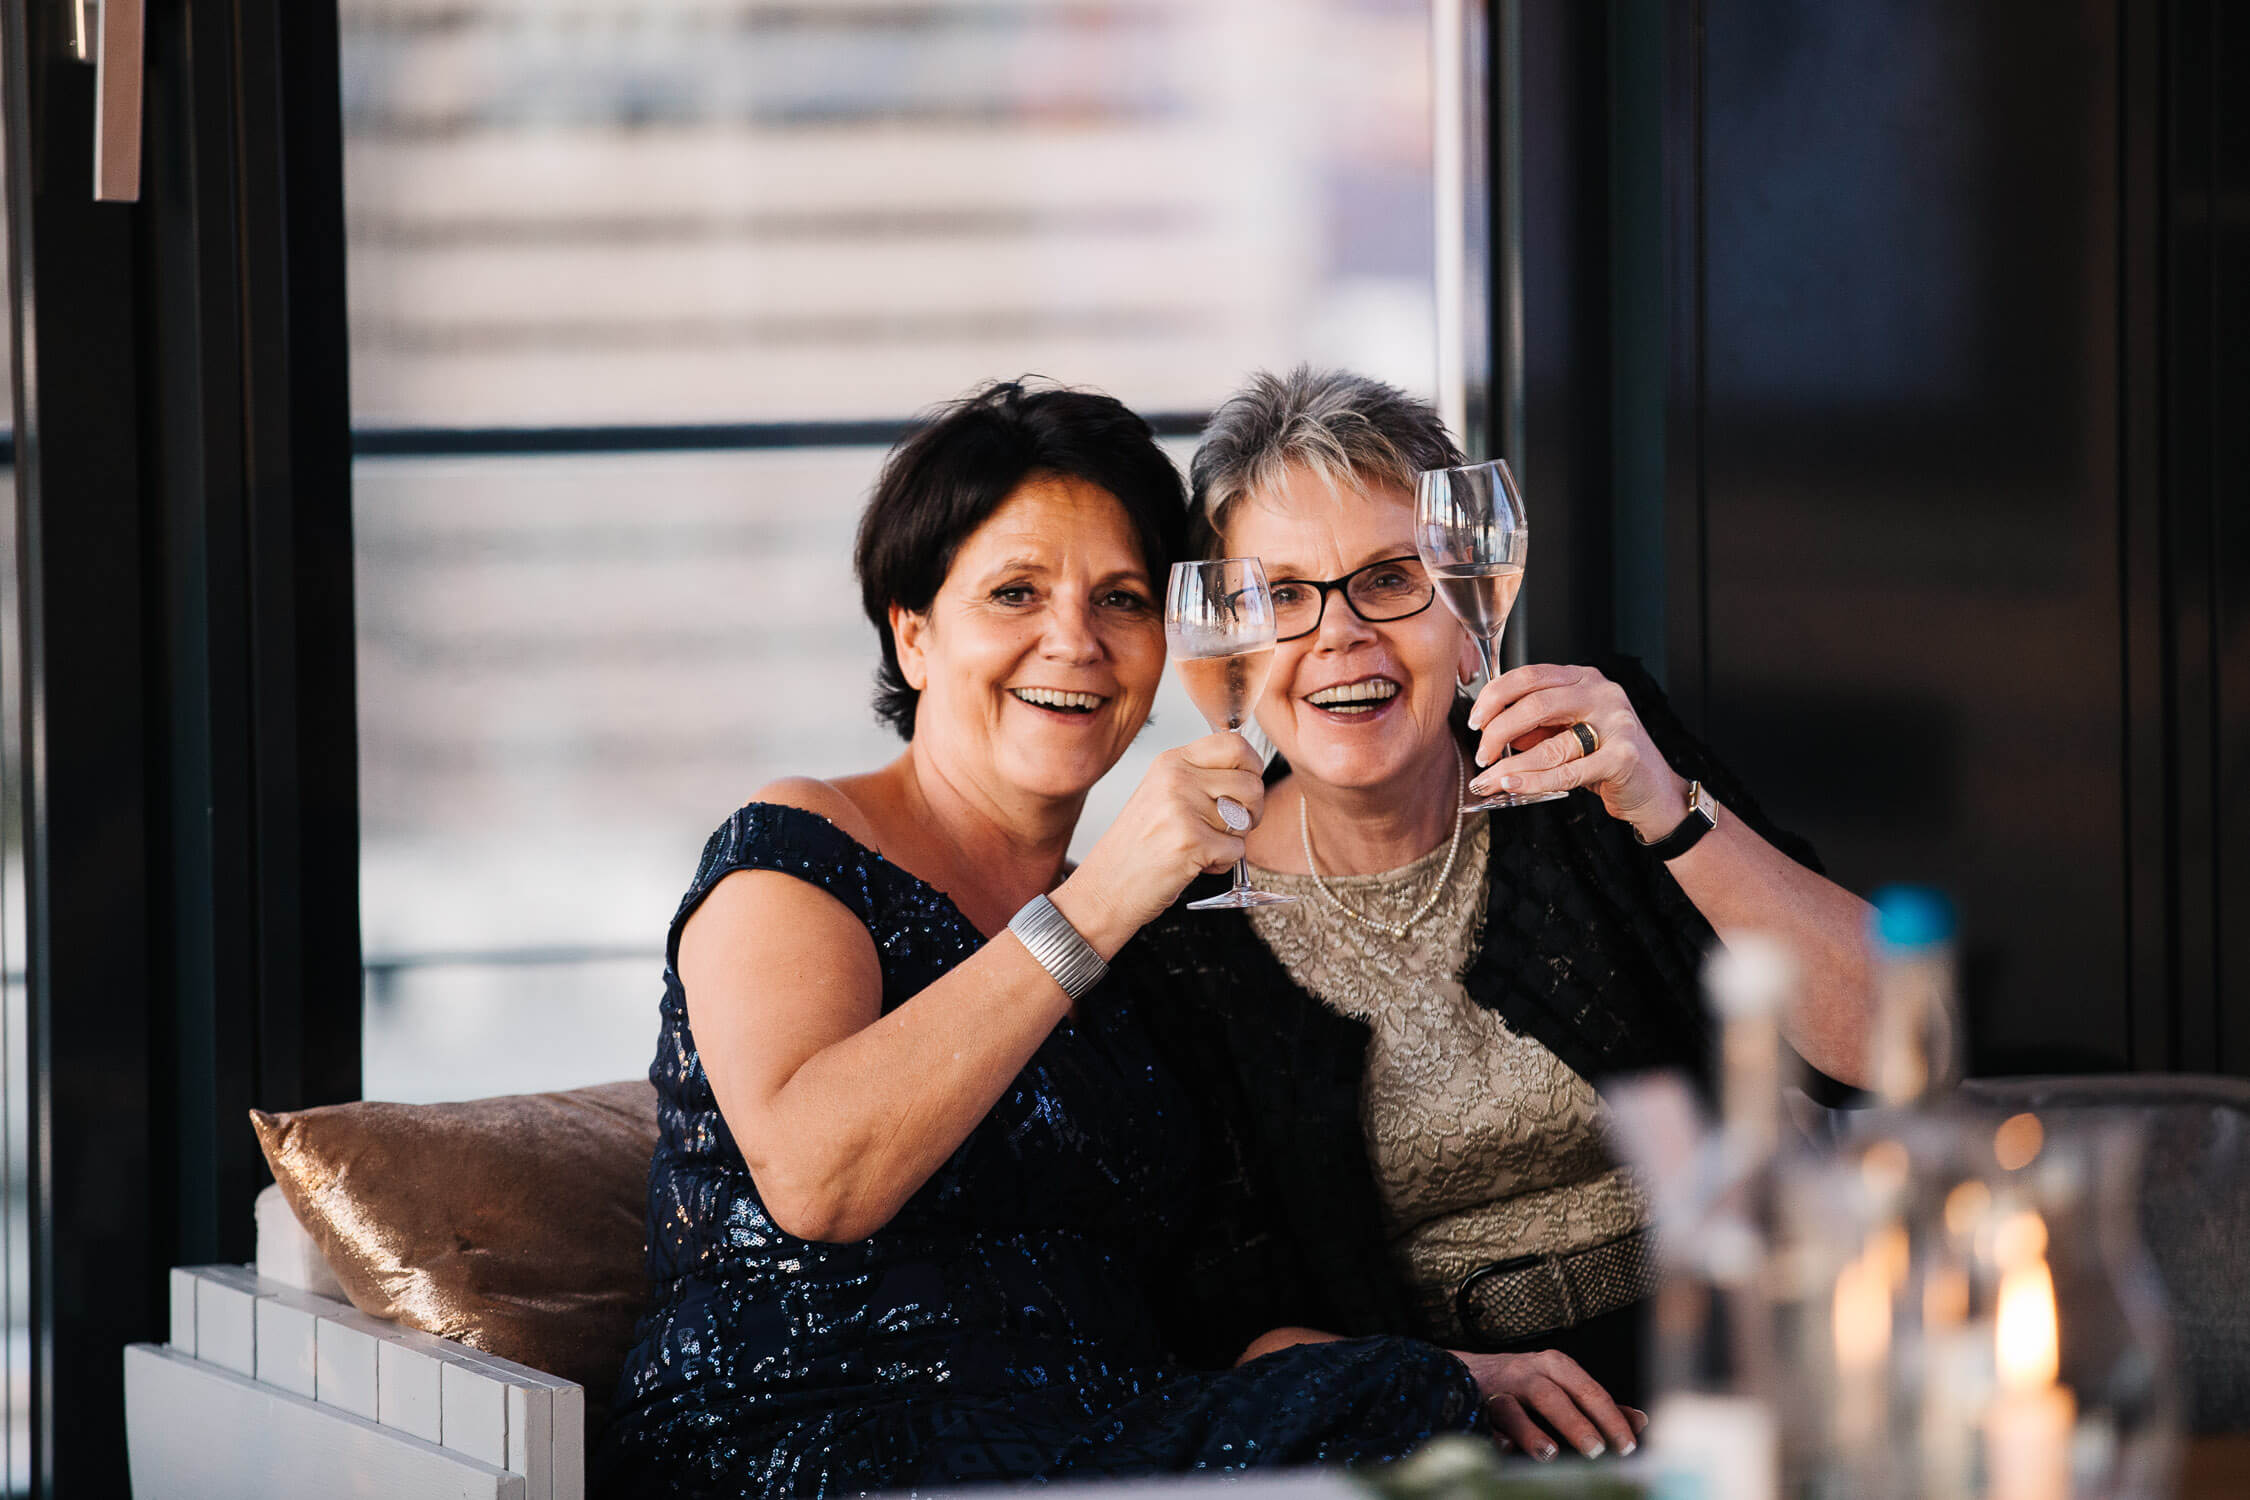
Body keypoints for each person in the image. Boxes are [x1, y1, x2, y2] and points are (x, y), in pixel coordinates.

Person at [594, 380, 1489, 1499]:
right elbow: (820, 1182)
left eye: (1120, 600)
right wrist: (1101, 899)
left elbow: (1208, 1299)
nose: (1074, 641)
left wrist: (1433, 1368)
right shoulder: (800, 849)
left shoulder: (1161, 943)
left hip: (1094, 1431)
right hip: (803, 1430)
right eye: (1015, 593)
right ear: (913, 634)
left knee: (1419, 1405)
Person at [1130, 366, 1875, 1464]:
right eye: (1283, 595)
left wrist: (1667, 812)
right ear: (1230, 641)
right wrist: (1443, 1386)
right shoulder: (1190, 932)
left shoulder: (1603, 767)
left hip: (1763, 1366)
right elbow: (1215, 1321)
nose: (1338, 635)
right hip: (1460, 1443)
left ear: (1472, 606)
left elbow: (1893, 1046)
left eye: (1389, 577)